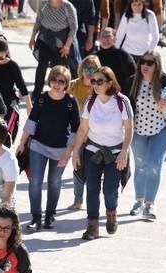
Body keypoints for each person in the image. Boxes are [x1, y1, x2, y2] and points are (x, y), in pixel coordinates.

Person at [72, 66, 133, 240]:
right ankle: (92, 226)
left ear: (110, 83)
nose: (96, 85)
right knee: (91, 189)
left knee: (110, 189)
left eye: (100, 81)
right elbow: (83, 129)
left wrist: (124, 152)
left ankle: (111, 213)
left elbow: (129, 129)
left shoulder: (122, 102)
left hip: (115, 153)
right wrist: (76, 151)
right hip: (93, 151)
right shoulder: (91, 102)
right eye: (93, 81)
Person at [18, 66, 80, 231]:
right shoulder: (42, 99)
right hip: (38, 145)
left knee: (54, 182)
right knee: (35, 182)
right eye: (54, 80)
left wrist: (69, 152)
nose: (57, 84)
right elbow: (31, 121)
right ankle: (35, 218)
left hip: (60, 150)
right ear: (49, 81)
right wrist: (22, 142)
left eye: (61, 81)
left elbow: (75, 130)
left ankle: (50, 215)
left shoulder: (70, 102)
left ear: (66, 84)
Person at [126, 50, 166, 220]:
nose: (145, 65)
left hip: (161, 129)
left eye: (149, 63)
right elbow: (122, 101)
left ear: (156, 65)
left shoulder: (165, 81)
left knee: (154, 164)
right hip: (138, 131)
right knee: (140, 164)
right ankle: (139, 201)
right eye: (143, 62)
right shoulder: (132, 81)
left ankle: (149, 205)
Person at [68, 54, 102, 210]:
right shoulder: (73, 85)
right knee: (77, 165)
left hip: (96, 134)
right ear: (81, 70)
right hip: (77, 132)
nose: (89, 72)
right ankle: (78, 199)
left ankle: (91, 199)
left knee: (93, 169)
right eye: (86, 68)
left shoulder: (100, 87)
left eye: (93, 68)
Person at [29, 0, 79, 101]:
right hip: (45, 38)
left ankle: (61, 93)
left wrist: (67, 46)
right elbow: (38, 21)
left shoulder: (68, 7)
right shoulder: (44, 4)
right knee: (41, 65)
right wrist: (32, 37)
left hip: (61, 41)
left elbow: (73, 28)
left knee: (60, 69)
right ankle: (37, 92)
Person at [0, 39, 33, 122]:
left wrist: (29, 106)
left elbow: (22, 86)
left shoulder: (12, 66)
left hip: (7, 101)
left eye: (0, 58)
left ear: (6, 54)